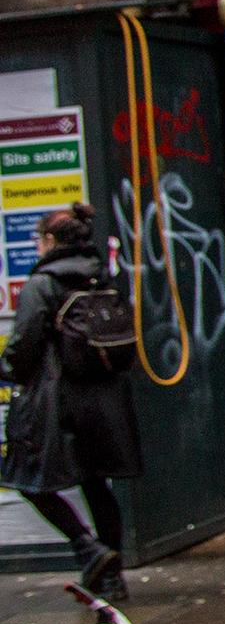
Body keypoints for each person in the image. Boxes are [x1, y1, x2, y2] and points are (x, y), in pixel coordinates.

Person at [1, 204, 141, 603]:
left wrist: (7, 368)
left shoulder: (42, 284)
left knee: (25, 479)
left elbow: (24, 345)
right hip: (106, 398)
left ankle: (86, 548)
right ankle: (111, 579)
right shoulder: (105, 276)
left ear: (50, 241)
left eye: (38, 239)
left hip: (57, 401)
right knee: (97, 482)